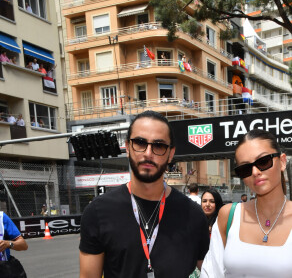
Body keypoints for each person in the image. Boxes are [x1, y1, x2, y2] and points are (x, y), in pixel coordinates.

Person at [80, 110, 210, 278]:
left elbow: (210, 271)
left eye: (159, 145)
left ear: (170, 154)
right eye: (140, 143)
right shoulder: (98, 212)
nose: (148, 153)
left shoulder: (193, 214)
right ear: (127, 147)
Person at [200, 129, 292, 277]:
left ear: (282, 162)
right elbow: (211, 273)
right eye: (245, 168)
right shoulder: (229, 215)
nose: (255, 172)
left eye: (263, 161)